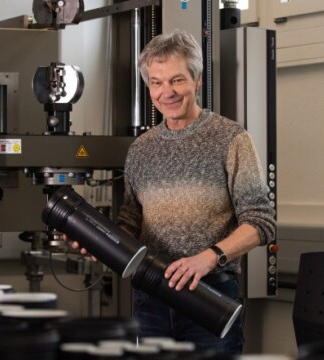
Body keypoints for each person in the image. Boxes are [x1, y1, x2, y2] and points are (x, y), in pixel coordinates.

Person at [112, 29, 276, 355]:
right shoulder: (141, 149)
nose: (166, 92)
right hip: (152, 298)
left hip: (210, 296)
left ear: (197, 81)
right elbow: (130, 219)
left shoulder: (231, 138)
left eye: (177, 80)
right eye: (156, 83)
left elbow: (261, 222)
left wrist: (207, 259)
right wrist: (99, 240)